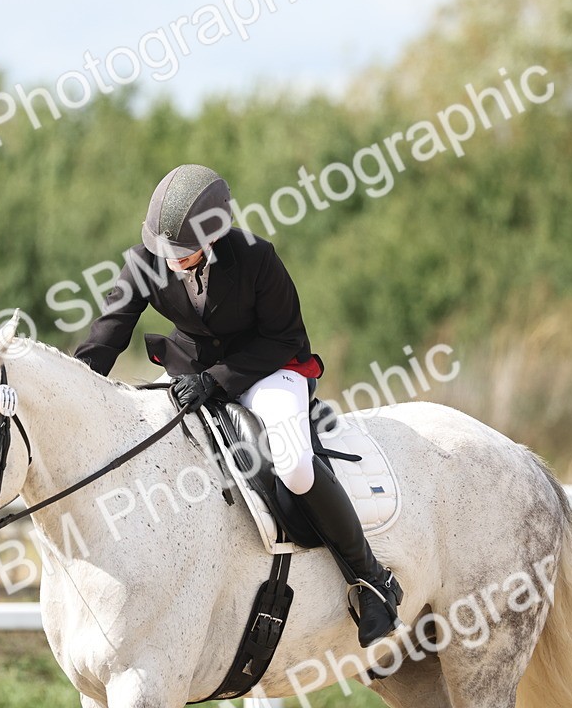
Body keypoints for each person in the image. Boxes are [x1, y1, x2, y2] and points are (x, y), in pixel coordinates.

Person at [74, 163, 403, 647]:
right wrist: (78, 386)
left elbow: (284, 337)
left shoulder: (256, 259)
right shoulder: (149, 256)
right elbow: (110, 328)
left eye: (182, 254)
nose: (170, 262)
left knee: (293, 466)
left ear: (213, 235)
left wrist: (218, 381)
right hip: (191, 370)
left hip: (269, 370)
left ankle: (372, 579)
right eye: (164, 253)